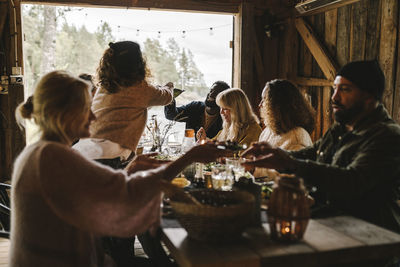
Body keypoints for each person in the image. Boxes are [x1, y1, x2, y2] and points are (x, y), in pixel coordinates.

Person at [11, 71, 229, 267]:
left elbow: (97, 193)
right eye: (88, 108)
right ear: (67, 114)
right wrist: (189, 158)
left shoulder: (40, 152)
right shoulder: (55, 157)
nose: (94, 116)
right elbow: (127, 194)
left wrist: (130, 170)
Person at [242, 60, 400, 235]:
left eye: (345, 89)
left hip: (369, 234)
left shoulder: (387, 135)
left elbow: (352, 181)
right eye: (335, 89)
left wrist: (290, 164)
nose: (334, 97)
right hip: (330, 219)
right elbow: (313, 153)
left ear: (370, 97)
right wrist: (275, 154)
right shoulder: (341, 127)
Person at [74, 41, 173, 167]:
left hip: (84, 149)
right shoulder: (140, 88)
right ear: (138, 64)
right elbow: (167, 97)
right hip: (109, 155)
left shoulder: (104, 87)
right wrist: (169, 86)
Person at [253, 79, 315, 178]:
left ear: (277, 105)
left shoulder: (298, 136)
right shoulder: (267, 131)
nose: (260, 104)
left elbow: (291, 176)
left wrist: (253, 169)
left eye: (264, 99)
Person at [164, 81, 230, 139]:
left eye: (217, 93)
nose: (211, 94)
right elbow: (171, 115)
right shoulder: (194, 107)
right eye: (211, 91)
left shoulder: (225, 118)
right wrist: (169, 97)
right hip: (190, 150)